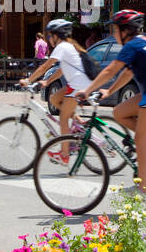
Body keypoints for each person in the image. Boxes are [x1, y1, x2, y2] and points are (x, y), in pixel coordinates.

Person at [79, 10, 146, 196]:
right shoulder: (140, 43)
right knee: (119, 113)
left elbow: (110, 70)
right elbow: (127, 73)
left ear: (126, 30)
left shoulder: (132, 46)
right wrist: (109, 91)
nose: (113, 33)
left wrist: (87, 91)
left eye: (115, 29)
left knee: (140, 140)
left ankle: (141, 190)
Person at [19, 19, 92, 163]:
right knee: (54, 99)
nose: (49, 39)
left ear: (57, 35)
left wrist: (28, 81)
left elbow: (44, 67)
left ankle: (64, 155)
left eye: (50, 36)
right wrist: (47, 81)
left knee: (63, 118)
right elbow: (61, 70)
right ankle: (78, 124)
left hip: (77, 85)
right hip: (77, 83)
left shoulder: (62, 46)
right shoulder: (67, 46)